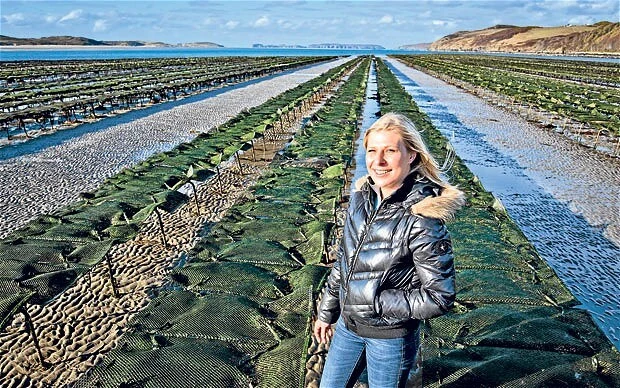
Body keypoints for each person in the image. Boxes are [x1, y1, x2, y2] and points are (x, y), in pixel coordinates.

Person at [314, 112, 465, 388]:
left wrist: (374, 301)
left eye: (390, 151)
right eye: (372, 151)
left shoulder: (422, 217)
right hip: (348, 328)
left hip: (390, 337)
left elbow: (440, 296)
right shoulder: (361, 199)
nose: (378, 161)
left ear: (412, 156)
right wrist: (327, 312)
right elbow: (343, 264)